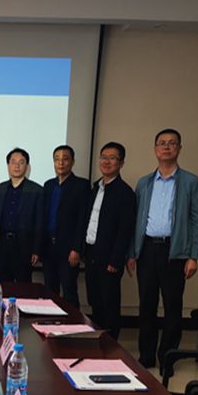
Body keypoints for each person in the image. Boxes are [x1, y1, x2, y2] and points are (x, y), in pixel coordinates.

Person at [127, 129, 198, 371]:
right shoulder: (144, 183)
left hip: (175, 251)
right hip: (147, 249)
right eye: (162, 143)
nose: (166, 147)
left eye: (172, 143)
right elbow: (135, 220)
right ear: (155, 149)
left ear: (179, 148)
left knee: (172, 306)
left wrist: (193, 255)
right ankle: (146, 356)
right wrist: (132, 253)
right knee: (146, 306)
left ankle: (168, 357)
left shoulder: (191, 182)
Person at [83, 142, 136, 339]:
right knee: (95, 301)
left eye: (112, 158)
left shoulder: (125, 193)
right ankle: (99, 341)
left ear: (121, 163)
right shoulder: (95, 188)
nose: (106, 162)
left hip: (109, 258)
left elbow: (125, 230)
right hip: (91, 253)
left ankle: (111, 345)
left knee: (109, 303)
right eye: (103, 157)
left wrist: (116, 260)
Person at [42, 145, 90, 306]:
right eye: (57, 159)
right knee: (50, 290)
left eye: (65, 159)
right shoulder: (48, 185)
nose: (61, 163)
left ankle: (72, 322)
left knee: (69, 291)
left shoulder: (81, 185)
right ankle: (51, 320)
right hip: (49, 247)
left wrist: (77, 248)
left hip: (69, 249)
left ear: (73, 161)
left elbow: (82, 219)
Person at [0, 147, 43, 282]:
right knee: (4, 286)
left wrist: (36, 250)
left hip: (25, 247)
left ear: (27, 166)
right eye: (13, 162)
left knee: (24, 287)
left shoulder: (36, 190)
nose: (17, 166)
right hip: (2, 246)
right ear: (8, 165)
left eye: (21, 162)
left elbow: (39, 222)